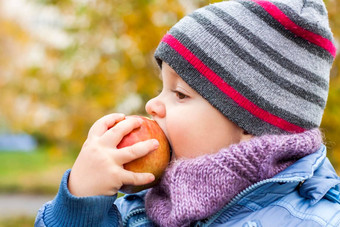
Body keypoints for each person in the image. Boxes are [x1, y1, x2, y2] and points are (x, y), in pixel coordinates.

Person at [35, 0, 340, 226]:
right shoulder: (140, 208)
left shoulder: (317, 220)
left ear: (251, 123)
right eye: (162, 88)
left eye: (179, 94)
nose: (151, 106)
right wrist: (80, 201)